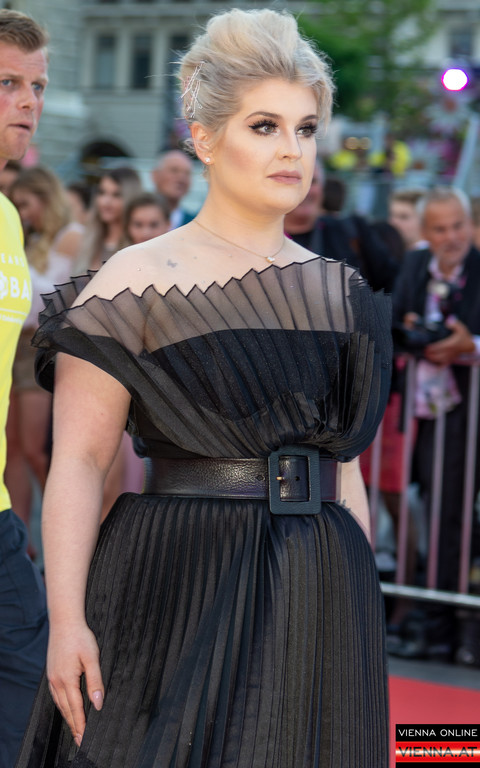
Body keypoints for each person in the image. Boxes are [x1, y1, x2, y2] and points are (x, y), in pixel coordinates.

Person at [17, 9, 391, 766]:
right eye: (264, 126)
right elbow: (80, 462)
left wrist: (359, 602)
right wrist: (66, 619)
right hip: (179, 572)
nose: (291, 150)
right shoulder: (135, 281)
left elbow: (344, 469)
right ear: (204, 138)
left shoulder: (341, 291)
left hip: (319, 576)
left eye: (306, 128)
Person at [392, 186, 480, 662]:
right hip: (429, 412)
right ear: (425, 233)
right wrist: (415, 333)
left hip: (469, 409)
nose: (452, 237)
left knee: (456, 515)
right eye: (440, 229)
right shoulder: (414, 265)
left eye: (458, 226)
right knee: (438, 510)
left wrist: (470, 346)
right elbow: (394, 324)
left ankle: (458, 626)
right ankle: (438, 623)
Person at [0, 9, 49, 767]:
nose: (28, 102)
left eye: (37, 86)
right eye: (7, 82)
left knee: (28, 702)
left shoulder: (9, 218)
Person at [6, 166, 83, 551]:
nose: (21, 212)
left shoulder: (72, 236)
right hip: (13, 344)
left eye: (26, 203)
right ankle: (20, 542)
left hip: (43, 346)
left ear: (45, 198)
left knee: (38, 450)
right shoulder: (29, 237)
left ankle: (64, 534)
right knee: (13, 451)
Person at [284, 161, 399, 292]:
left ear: (322, 187)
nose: (306, 190)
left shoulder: (351, 231)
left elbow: (394, 285)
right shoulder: (266, 244)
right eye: (295, 180)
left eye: (313, 181)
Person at [74, 165, 142, 273]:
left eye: (116, 195)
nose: (106, 202)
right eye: (102, 192)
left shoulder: (137, 246)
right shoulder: (87, 240)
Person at [151, 149, 195, 228]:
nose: (181, 178)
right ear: (155, 175)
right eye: (174, 170)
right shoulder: (135, 217)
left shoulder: (195, 224)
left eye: (187, 173)